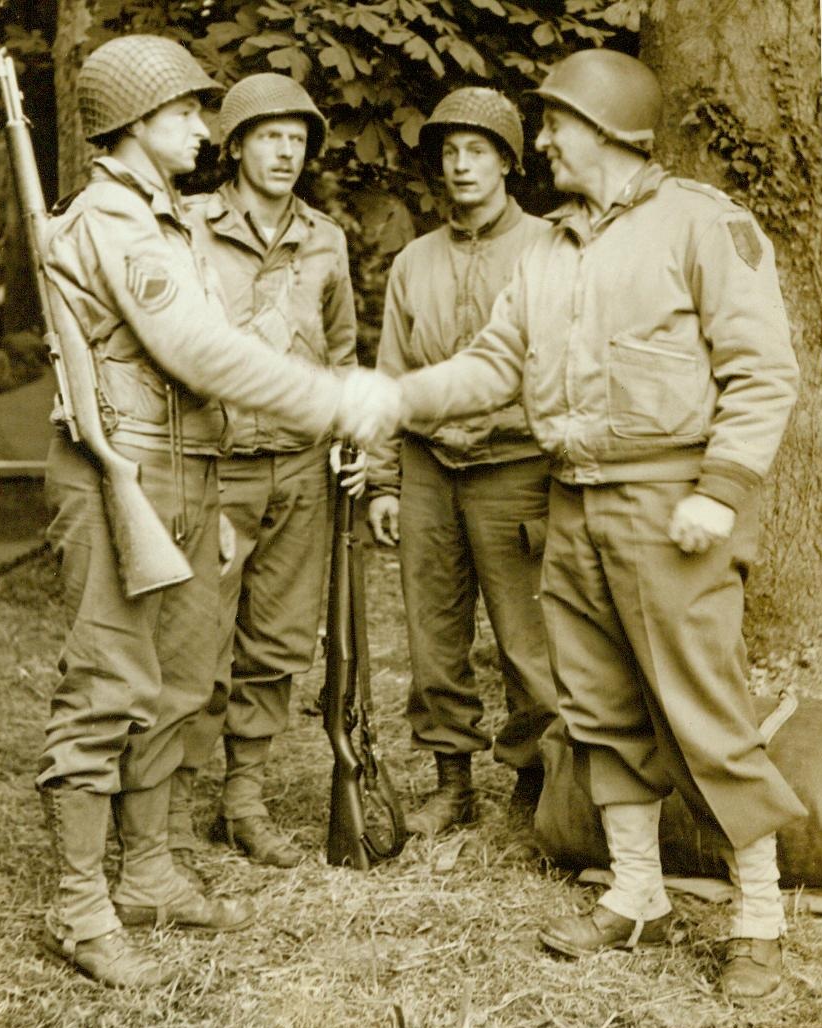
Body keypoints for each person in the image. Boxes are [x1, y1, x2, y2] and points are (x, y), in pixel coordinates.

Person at [384, 49, 806, 1004]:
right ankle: (638, 894)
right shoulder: (549, 246)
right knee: (599, 709)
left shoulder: (702, 224)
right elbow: (494, 364)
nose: (541, 143)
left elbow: (763, 372)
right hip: (569, 503)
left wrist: (719, 489)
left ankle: (759, 919)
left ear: (609, 130)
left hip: (673, 509)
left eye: (555, 126)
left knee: (709, 716)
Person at [36, 34, 396, 989]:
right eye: (190, 112)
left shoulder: (165, 218)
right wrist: (330, 402)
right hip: (127, 474)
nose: (207, 126)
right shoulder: (114, 219)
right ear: (137, 124)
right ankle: (79, 909)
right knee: (105, 685)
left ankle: (148, 872)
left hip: (192, 473)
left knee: (174, 680)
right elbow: (197, 348)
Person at [168, 73, 365, 872]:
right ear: (236, 144)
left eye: (299, 138)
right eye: (270, 135)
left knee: (278, 643)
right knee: (195, 643)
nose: (287, 151)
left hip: (301, 469)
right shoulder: (186, 226)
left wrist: (354, 441)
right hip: (215, 468)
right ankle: (172, 808)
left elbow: (344, 352)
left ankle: (242, 799)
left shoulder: (325, 239)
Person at [367, 87, 557, 839]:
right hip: (426, 471)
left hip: (517, 468)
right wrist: (383, 479)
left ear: (509, 162)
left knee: (528, 637)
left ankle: (536, 782)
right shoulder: (415, 261)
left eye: (478, 150)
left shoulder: (549, 248)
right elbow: (390, 375)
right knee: (434, 635)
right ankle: (453, 782)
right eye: (449, 152)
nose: (461, 165)